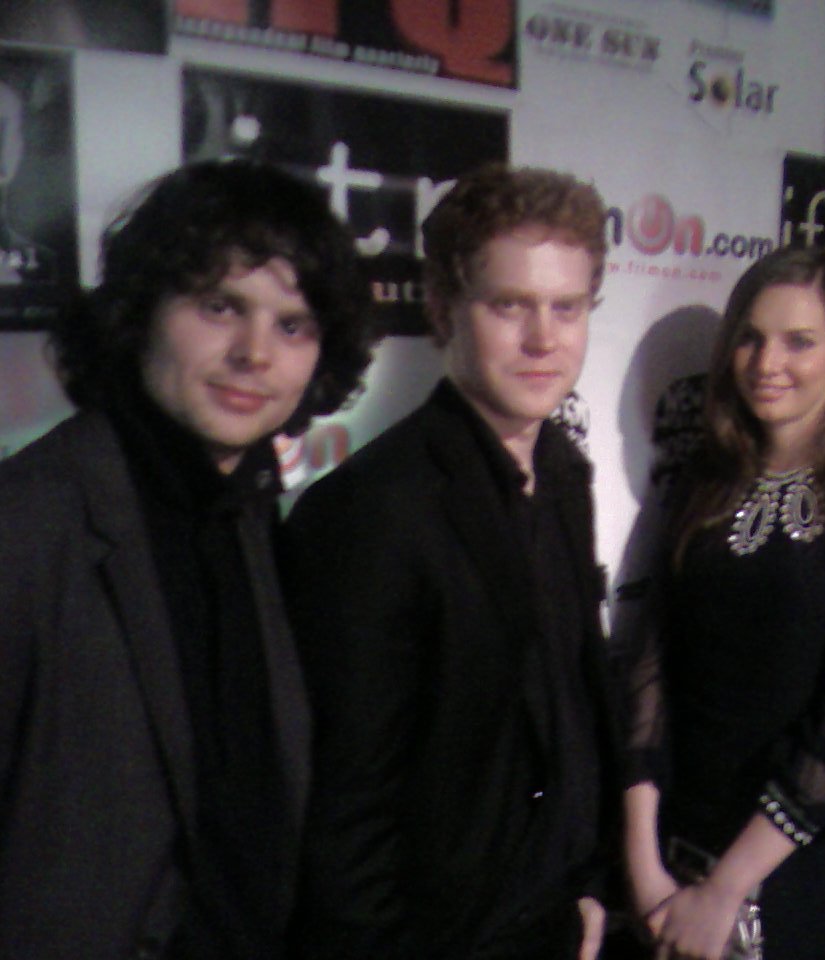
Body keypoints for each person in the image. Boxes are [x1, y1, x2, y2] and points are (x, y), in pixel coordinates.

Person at [0, 159, 376, 960]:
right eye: (219, 306)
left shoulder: (254, 514)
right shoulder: (28, 522)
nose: (255, 353)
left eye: (293, 325)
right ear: (143, 310)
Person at [284, 164, 618, 960]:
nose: (544, 339)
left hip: (561, 923)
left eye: (566, 308)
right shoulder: (372, 508)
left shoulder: (567, 471)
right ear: (442, 310)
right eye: (510, 305)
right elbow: (345, 814)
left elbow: (572, 701)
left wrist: (591, 890)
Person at [616, 246, 825, 959]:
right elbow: (650, 667)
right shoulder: (705, 478)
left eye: (799, 341)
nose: (766, 361)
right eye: (751, 337)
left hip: (793, 872)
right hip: (670, 858)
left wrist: (728, 887)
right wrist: (643, 863)